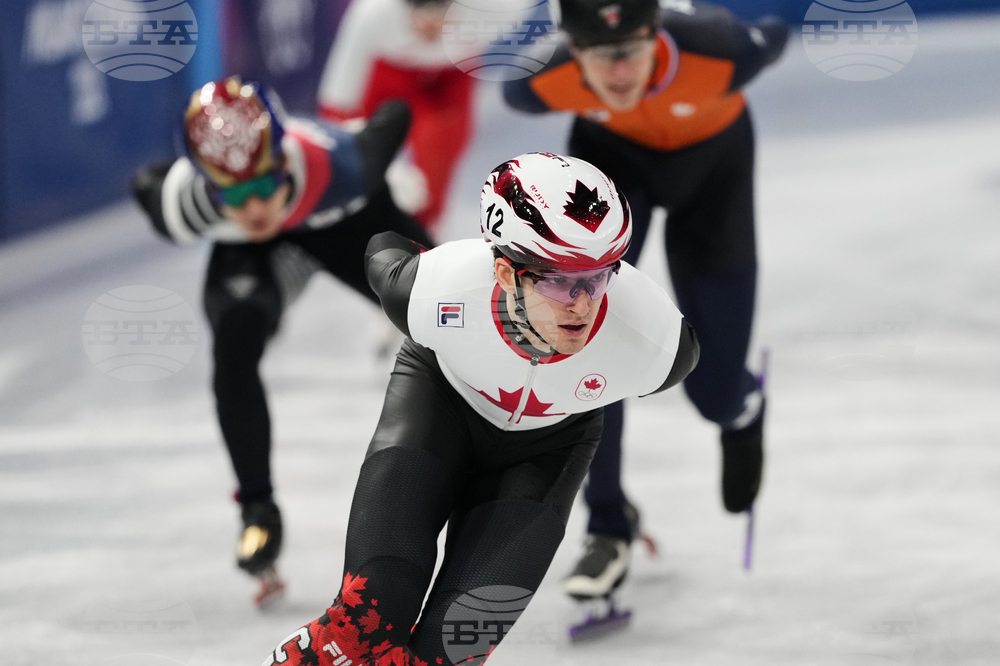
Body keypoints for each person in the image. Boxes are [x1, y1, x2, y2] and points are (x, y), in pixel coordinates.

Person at [260, 152, 699, 665]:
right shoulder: (435, 291)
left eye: (599, 277)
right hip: (437, 411)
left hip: (548, 450)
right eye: (558, 280)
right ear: (506, 273)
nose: (582, 303)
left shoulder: (654, 346)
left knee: (450, 650)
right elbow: (383, 250)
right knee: (369, 617)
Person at [502, 0, 788, 597]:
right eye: (602, 58)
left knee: (712, 392)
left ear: (657, 34)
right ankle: (607, 523)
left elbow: (775, 33)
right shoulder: (537, 83)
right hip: (612, 168)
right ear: (572, 48)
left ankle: (741, 409)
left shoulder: (721, 50)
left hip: (716, 175)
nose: (621, 74)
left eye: (631, 51)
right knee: (582, 345)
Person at [131, 76, 434, 602]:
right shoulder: (184, 205)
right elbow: (145, 183)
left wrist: (368, 137)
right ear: (207, 184)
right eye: (234, 193)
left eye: (264, 184)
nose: (254, 207)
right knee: (234, 349)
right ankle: (259, 511)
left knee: (446, 322)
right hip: (254, 255)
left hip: (347, 218)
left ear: (283, 160)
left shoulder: (346, 166)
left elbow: (395, 112)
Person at [317, 0, 475, 233]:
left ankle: (424, 228)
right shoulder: (372, 14)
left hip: (453, 72)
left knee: (441, 144)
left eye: (439, 11)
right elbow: (337, 104)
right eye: (420, 13)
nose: (429, 24)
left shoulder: (499, 8)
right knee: (353, 147)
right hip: (391, 70)